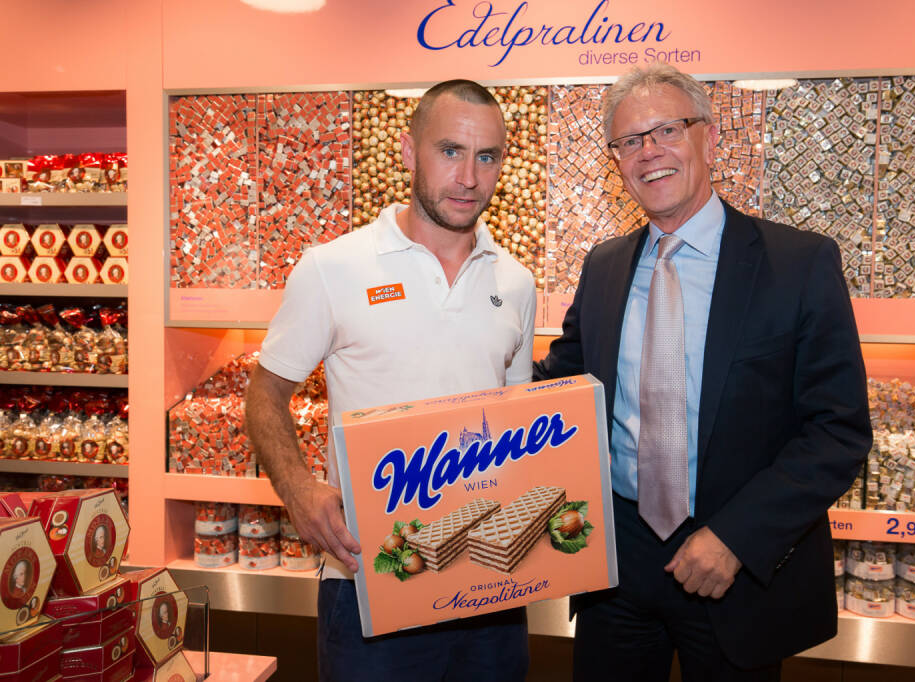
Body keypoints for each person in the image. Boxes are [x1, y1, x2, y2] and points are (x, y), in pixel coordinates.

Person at [535, 63, 872, 681]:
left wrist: (737, 539)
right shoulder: (604, 266)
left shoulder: (798, 263)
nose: (648, 153)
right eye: (629, 141)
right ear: (615, 160)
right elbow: (561, 385)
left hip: (732, 569)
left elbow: (837, 431)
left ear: (710, 139)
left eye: (666, 130)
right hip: (615, 563)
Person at [246, 79, 536, 682]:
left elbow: (518, 420)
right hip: (369, 580)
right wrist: (299, 490)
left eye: (487, 157)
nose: (468, 178)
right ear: (408, 152)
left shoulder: (515, 283)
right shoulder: (332, 268)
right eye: (450, 151)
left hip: (491, 583)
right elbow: (265, 393)